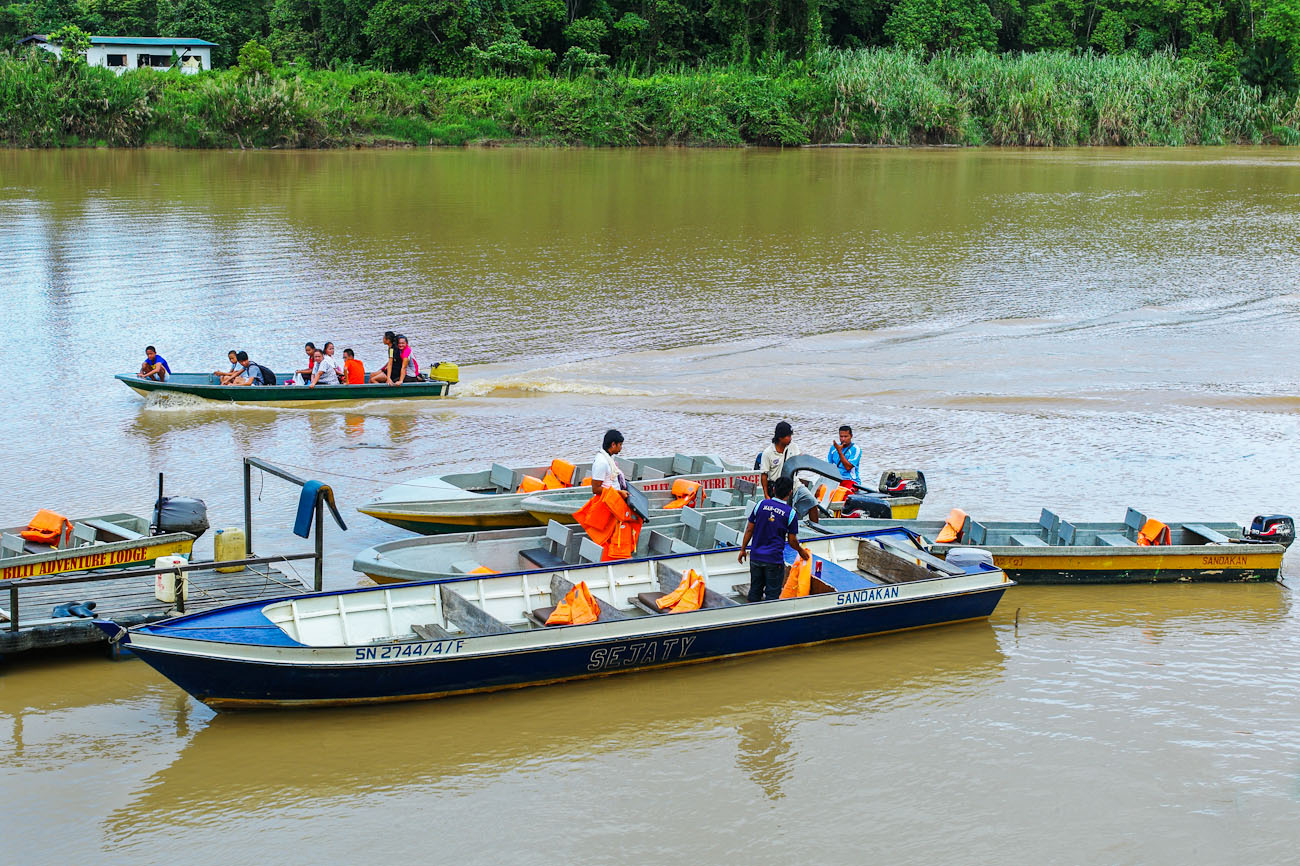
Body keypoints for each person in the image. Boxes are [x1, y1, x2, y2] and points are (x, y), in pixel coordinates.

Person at [738, 476, 811, 602]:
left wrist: (743, 549)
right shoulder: (790, 513)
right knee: (772, 596)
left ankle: (750, 612)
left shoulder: (760, 504)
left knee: (754, 591)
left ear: (773, 489)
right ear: (790, 492)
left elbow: (749, 529)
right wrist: (801, 551)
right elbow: (792, 541)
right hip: (774, 560)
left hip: (755, 557)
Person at [758, 421, 801, 499]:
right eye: (788, 436)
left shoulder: (793, 447)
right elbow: (764, 475)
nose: (790, 438)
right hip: (778, 488)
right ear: (780, 438)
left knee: (811, 501)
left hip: (794, 484)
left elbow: (800, 461)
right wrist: (766, 495)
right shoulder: (768, 453)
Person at [591, 429, 627, 497]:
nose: (621, 448)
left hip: (613, 497)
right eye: (620, 444)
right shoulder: (601, 462)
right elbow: (596, 489)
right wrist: (618, 492)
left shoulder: (608, 458)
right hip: (606, 501)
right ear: (613, 444)